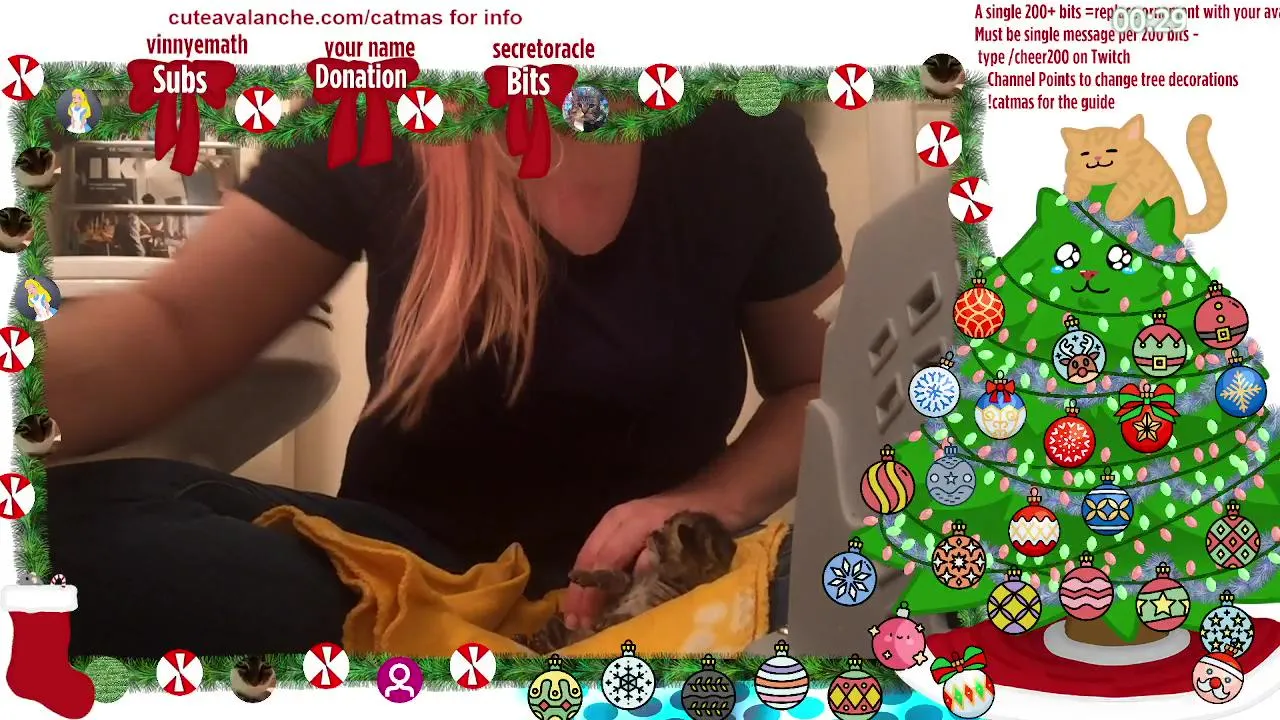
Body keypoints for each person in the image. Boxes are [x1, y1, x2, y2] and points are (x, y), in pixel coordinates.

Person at [43, 100, 843, 657]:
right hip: (403, 583)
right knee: (68, 526)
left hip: (641, 593)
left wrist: (708, 502)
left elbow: (815, 383)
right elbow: (175, 326)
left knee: (870, 573)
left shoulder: (746, 130)